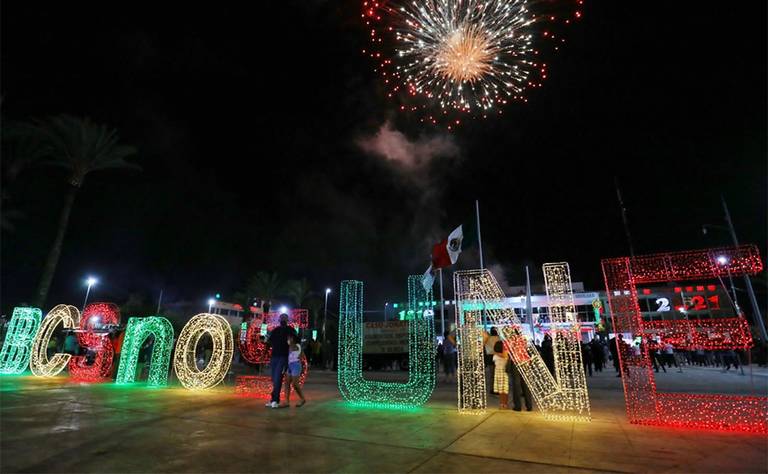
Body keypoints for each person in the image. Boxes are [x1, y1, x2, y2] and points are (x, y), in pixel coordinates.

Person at [266, 313, 297, 408]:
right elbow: (269, 341)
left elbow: (295, 342)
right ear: (279, 320)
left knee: (277, 377)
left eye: (285, 318)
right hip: (275, 356)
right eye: (282, 318)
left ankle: (275, 400)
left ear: (287, 320)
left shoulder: (291, 330)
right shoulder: (275, 330)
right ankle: (273, 399)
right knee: (274, 378)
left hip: (284, 357)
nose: (283, 319)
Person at [284, 333, 306, 407]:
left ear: (292, 339)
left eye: (289, 338)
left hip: (296, 366)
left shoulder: (297, 346)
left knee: (295, 384)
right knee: (287, 383)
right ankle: (286, 402)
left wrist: (299, 359)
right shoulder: (289, 346)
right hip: (290, 366)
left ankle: (302, 399)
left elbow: (302, 355)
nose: (288, 340)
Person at [492, 341, 509, 409]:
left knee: (500, 390)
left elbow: (494, 363)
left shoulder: (495, 356)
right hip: (504, 373)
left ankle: (501, 403)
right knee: (505, 390)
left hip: (497, 373)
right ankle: (505, 404)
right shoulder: (505, 356)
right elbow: (506, 357)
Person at [484, 328, 500, 394]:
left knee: (492, 374)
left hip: (489, 357)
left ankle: (492, 389)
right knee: (497, 373)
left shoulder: (488, 339)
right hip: (498, 356)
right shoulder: (499, 338)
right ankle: (497, 389)